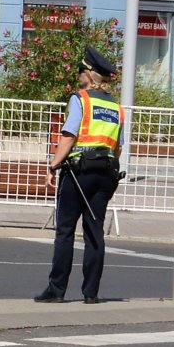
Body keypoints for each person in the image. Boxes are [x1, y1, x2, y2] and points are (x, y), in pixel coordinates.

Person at [35, 46, 125, 305]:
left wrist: (53, 165)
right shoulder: (116, 107)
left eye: (81, 71)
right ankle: (91, 293)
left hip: (78, 171)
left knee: (65, 231)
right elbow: (118, 146)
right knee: (94, 232)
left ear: (90, 75)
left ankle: (56, 290)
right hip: (106, 172)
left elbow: (69, 136)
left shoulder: (80, 99)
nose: (78, 76)